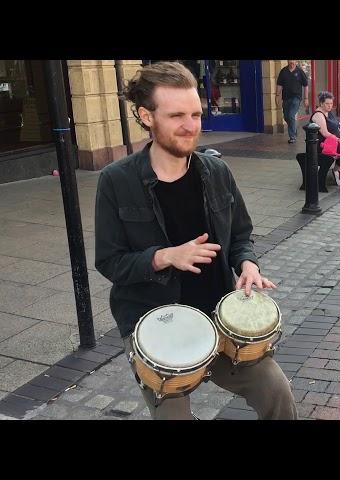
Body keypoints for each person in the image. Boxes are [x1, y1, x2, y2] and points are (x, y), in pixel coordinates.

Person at [94, 62, 297, 420]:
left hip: (217, 318)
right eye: (176, 116)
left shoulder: (217, 172)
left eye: (196, 114)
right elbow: (109, 261)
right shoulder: (116, 181)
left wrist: (247, 264)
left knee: (277, 392)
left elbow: (240, 235)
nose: (191, 126)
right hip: (155, 324)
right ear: (146, 116)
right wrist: (165, 257)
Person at [311, 91, 340, 186]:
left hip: (332, 142)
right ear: (321, 103)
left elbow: (336, 127)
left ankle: (337, 171)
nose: (330, 106)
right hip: (323, 145)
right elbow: (324, 133)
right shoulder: (319, 115)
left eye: (331, 103)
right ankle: (336, 171)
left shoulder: (328, 112)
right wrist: (339, 140)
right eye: (327, 104)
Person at [276, 60, 309, 144]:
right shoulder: (283, 71)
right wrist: (277, 96)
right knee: (286, 117)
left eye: (294, 60)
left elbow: (306, 85)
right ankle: (294, 129)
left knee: (291, 115)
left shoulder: (300, 71)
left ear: (296, 61)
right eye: (290, 60)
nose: (292, 62)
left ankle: (292, 137)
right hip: (286, 98)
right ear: (288, 61)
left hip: (296, 98)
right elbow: (279, 84)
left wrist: (306, 98)